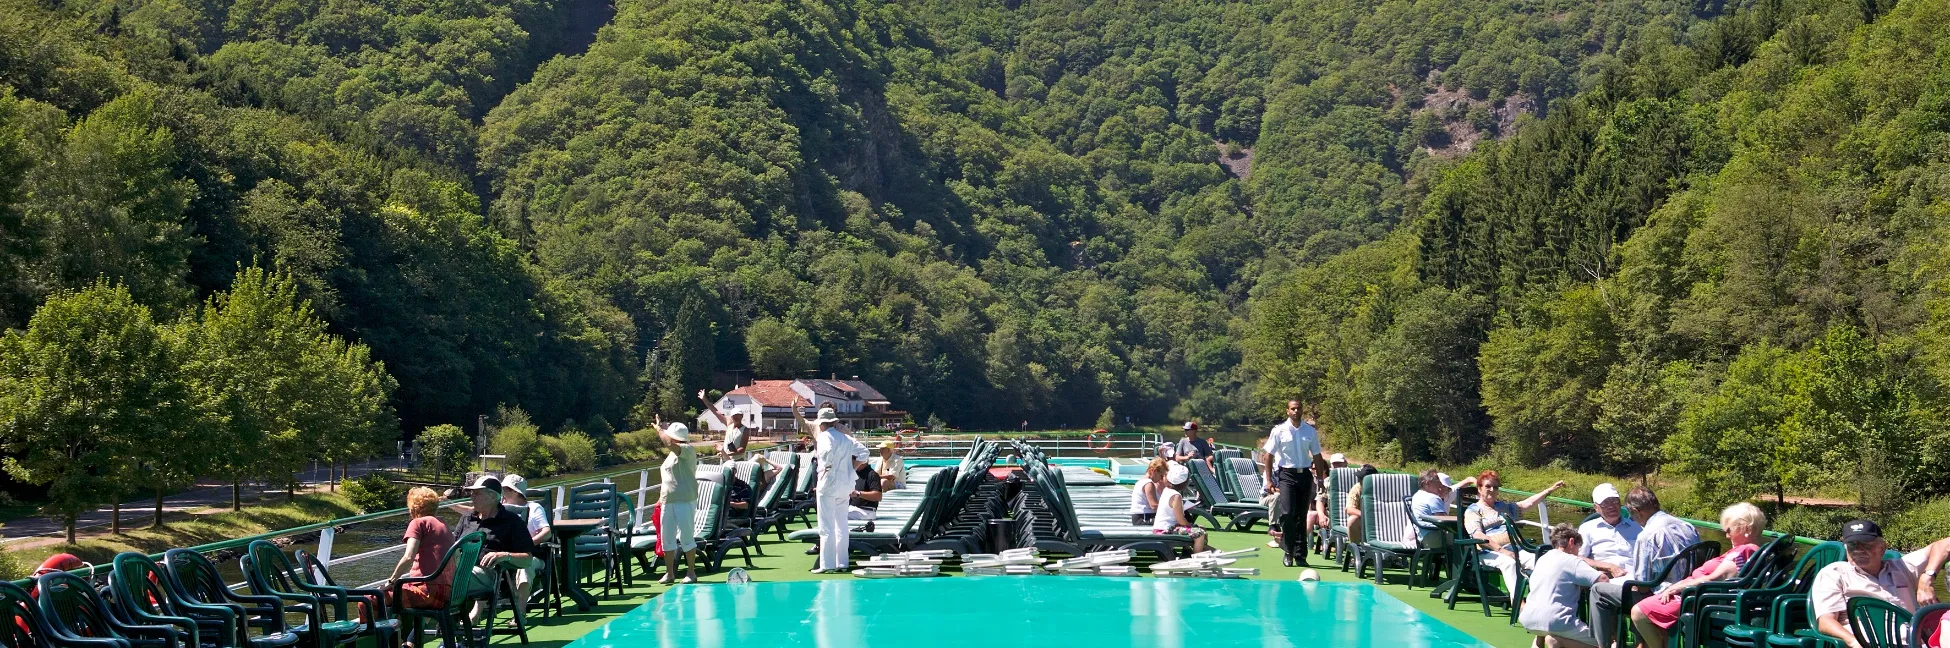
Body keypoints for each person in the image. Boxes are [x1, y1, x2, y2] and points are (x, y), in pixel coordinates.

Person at [1631, 503, 1769, 648]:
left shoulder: (1742, 552)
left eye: (1729, 531)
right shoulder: (1756, 550)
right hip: (1699, 595)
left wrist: (1677, 587)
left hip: (1697, 598)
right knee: (1653, 609)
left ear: (1745, 528)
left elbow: (1716, 578)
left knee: (1638, 613)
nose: (1727, 536)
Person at [1588, 485, 1699, 648]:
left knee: (1599, 590)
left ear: (1636, 511)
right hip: (1691, 592)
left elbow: (1642, 587)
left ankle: (1604, 645)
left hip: (1664, 596)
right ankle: (1640, 642)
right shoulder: (1688, 527)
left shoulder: (1646, 536)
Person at [1810, 519, 1950, 648]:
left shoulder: (1902, 568)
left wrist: (1927, 577)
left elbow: (1946, 544)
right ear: (1846, 549)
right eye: (1852, 545)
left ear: (1882, 548)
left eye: (1866, 545)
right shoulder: (1834, 573)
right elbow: (1825, 622)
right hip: (1869, 643)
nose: (1858, 550)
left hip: (1913, 642)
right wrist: (1852, 640)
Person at [1521, 524, 1628, 648]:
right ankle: (1557, 642)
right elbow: (1602, 580)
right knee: (1607, 644)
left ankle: (1552, 640)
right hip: (1557, 621)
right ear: (1571, 542)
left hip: (1529, 619)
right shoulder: (1571, 560)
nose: (1578, 553)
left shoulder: (1543, 559)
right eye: (1578, 548)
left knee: (1545, 630)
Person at [453, 476, 539, 622]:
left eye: (477, 493)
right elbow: (453, 546)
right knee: (424, 576)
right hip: (459, 569)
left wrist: (505, 555)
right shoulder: (467, 518)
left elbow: (527, 559)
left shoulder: (512, 521)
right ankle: (412, 640)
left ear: (493, 496)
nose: (472, 497)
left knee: (442, 582)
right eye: (471, 493)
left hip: (490, 576)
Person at [1465, 471, 1566, 594]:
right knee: (1509, 563)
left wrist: (1549, 490)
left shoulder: (1502, 507)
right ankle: (1518, 603)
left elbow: (1526, 504)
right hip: (1488, 552)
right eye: (1488, 486)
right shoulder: (1473, 510)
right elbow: (1478, 535)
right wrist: (1502, 551)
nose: (1492, 490)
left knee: (1542, 560)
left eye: (1495, 487)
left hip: (1514, 548)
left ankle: (1544, 599)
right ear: (1479, 489)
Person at [798, 399, 867, 573]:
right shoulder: (845, 438)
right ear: (834, 421)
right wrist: (852, 467)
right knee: (841, 525)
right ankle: (842, 563)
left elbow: (827, 452)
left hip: (828, 484)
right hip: (845, 485)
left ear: (821, 423)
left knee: (826, 526)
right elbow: (864, 453)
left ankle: (826, 565)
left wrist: (826, 467)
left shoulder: (824, 437)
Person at [1261, 400, 1324, 567]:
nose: (1296, 411)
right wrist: (1268, 480)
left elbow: (1317, 455)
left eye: (1298, 408)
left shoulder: (1309, 431)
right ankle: (1288, 551)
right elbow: (1268, 455)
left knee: (1301, 517)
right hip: (1286, 475)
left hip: (1304, 475)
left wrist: (1320, 479)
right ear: (1287, 411)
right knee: (1288, 514)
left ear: (1302, 410)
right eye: (1293, 409)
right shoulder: (1279, 430)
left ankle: (1300, 555)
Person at [385, 487, 456, 610]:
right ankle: (408, 629)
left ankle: (380, 629)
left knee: (370, 598)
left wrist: (390, 582)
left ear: (413, 508)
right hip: (448, 593)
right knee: (402, 599)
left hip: (427, 592)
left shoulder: (418, 523)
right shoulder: (443, 524)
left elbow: (408, 557)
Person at [656, 422, 700, 585]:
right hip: (668, 500)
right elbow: (668, 477)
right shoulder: (672, 454)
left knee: (686, 536)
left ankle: (691, 573)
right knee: (667, 537)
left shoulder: (687, 450)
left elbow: (667, 443)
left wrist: (659, 430)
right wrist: (660, 498)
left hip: (684, 499)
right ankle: (670, 573)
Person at [1578, 484, 1641, 576]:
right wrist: (1608, 567)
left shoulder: (1637, 527)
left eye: (1614, 501)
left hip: (1635, 578)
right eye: (1605, 503)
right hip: (1605, 579)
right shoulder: (1587, 528)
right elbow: (1578, 558)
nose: (1611, 506)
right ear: (1596, 507)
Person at [1153, 462, 1209, 552]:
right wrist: (1189, 525)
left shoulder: (1167, 490)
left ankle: (1190, 551)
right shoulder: (1176, 496)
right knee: (1200, 533)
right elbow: (1180, 520)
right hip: (1166, 530)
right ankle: (1198, 556)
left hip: (1163, 527)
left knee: (1200, 528)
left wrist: (1190, 526)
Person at [1404, 469, 1452, 546]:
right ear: (1427, 483)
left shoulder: (1417, 496)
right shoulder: (1433, 498)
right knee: (1465, 540)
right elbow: (1444, 522)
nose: (1440, 485)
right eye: (1438, 482)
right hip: (1435, 537)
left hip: (1423, 537)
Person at [698, 389, 750, 455]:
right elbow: (715, 411)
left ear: (742, 416)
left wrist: (726, 454)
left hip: (738, 461)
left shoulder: (745, 430)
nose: (736, 418)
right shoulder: (729, 424)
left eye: (738, 415)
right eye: (734, 416)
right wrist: (704, 399)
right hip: (725, 459)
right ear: (731, 417)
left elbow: (742, 449)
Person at [1342, 464, 1381, 544]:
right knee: (1352, 520)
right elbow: (1350, 509)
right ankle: (1356, 549)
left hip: (1383, 520)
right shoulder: (1357, 488)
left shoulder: (1383, 488)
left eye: (1361, 478)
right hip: (1364, 521)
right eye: (1359, 477)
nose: (1359, 480)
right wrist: (1368, 516)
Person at [849, 457, 883, 530]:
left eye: (853, 458)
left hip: (866, 512)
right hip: (853, 509)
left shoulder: (872, 474)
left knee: (838, 515)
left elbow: (878, 496)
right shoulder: (854, 473)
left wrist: (858, 493)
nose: (851, 460)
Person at [1130, 458, 1166, 525]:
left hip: (1140, 517)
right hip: (1144, 517)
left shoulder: (1141, 481)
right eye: (1161, 476)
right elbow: (1154, 506)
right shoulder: (1149, 484)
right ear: (1154, 471)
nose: (1161, 479)